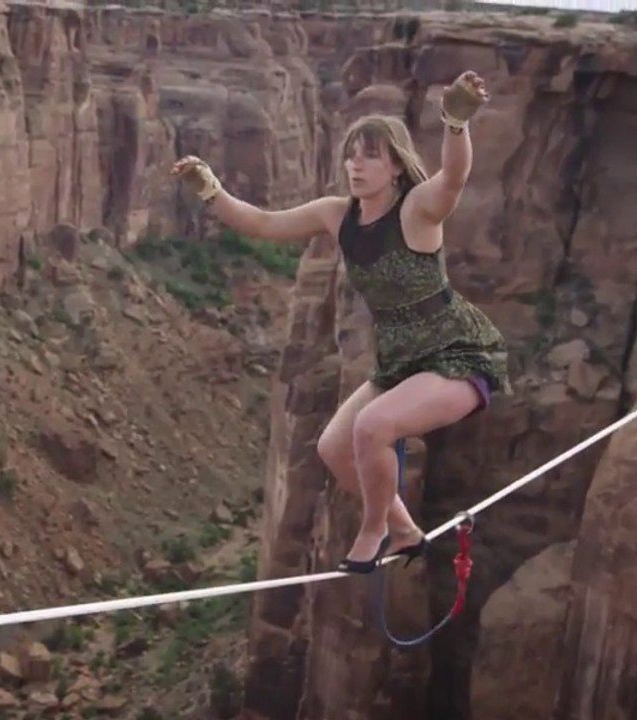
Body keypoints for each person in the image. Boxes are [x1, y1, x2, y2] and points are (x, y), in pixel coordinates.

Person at [170, 71, 512, 575]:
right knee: (333, 447)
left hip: (455, 355)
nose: (356, 163)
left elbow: (454, 178)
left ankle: (374, 529)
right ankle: (403, 528)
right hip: (400, 361)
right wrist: (211, 191)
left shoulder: (416, 210)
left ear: (396, 165)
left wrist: (455, 121)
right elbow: (263, 224)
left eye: (370, 154)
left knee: (373, 428)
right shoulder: (337, 215)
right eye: (351, 153)